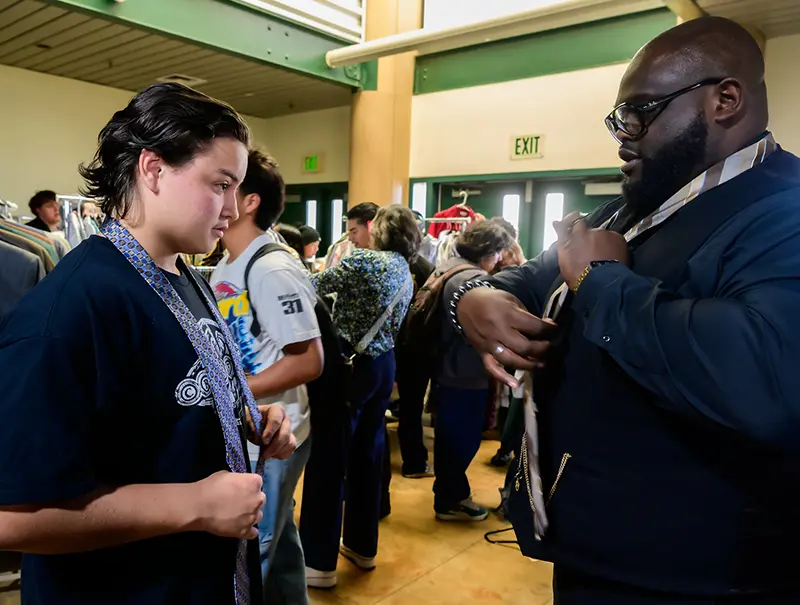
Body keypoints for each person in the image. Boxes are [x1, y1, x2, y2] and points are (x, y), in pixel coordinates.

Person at [454, 17, 800, 604]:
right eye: (620, 117)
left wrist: (601, 280)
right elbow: (529, 278)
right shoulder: (633, 210)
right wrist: (471, 294)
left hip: (701, 577)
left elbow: (762, 376)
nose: (624, 135)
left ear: (726, 100)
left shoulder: (782, 210)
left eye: (641, 111)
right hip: (594, 549)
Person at [0, 83, 295, 605]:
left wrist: (242, 413)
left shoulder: (183, 275)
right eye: (221, 184)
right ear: (153, 169)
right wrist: (194, 504)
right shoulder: (70, 310)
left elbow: (158, 405)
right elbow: (12, 518)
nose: (233, 207)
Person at [211, 150, 323, 604]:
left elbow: (308, 360)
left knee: (253, 550)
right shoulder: (228, 264)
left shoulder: (271, 267)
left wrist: (229, 394)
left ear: (250, 200)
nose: (213, 196)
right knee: (279, 538)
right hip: (255, 430)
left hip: (275, 433)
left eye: (224, 185)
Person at [302, 205, 419, 588]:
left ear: (378, 231)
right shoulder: (406, 268)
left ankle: (318, 560)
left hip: (350, 366)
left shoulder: (365, 261)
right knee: (368, 456)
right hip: (384, 366)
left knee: (329, 460)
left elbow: (311, 287)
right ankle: (362, 545)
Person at [433, 220, 512, 521]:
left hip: (447, 367)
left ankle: (451, 494)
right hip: (465, 371)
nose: (500, 259)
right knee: (461, 440)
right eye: (499, 252)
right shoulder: (474, 280)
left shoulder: (447, 268)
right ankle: (450, 499)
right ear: (488, 251)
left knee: (449, 437)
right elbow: (484, 329)